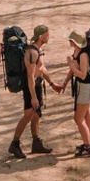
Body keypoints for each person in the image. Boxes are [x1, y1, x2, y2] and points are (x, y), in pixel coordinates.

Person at [8, 25, 60, 159]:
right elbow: (30, 76)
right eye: (47, 35)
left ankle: (36, 143)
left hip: (37, 85)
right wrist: (33, 97)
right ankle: (14, 144)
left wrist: (52, 83)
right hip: (30, 87)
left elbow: (42, 69)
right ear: (41, 37)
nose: (49, 37)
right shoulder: (32, 53)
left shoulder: (39, 50)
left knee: (36, 115)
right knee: (28, 115)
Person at [64, 30, 90, 157]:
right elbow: (74, 70)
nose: (69, 41)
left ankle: (87, 147)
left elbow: (82, 75)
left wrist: (70, 65)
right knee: (87, 115)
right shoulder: (77, 52)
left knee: (78, 118)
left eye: (71, 40)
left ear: (74, 42)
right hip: (84, 87)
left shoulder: (83, 55)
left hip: (85, 87)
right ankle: (89, 141)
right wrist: (65, 82)